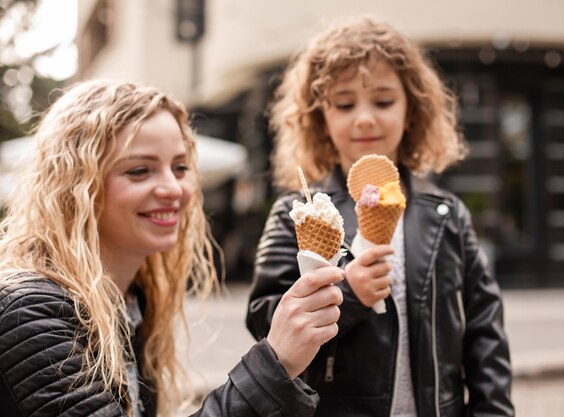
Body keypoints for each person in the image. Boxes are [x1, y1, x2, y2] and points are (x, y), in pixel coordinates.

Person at [0, 80, 344, 417]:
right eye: (139, 170)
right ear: (77, 186)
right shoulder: (33, 311)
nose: (173, 188)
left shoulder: (131, 299)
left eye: (180, 167)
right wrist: (275, 364)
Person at [246, 16, 514, 417]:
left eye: (384, 101)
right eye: (345, 103)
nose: (365, 118)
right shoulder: (297, 212)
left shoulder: (447, 215)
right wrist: (348, 296)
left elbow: (485, 333)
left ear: (413, 110)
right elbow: (264, 324)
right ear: (321, 116)